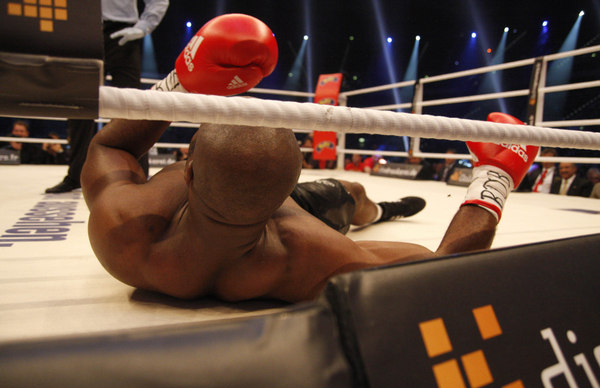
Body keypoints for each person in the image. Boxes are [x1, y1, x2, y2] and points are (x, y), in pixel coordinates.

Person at [81, 15, 539, 303]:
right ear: (286, 197)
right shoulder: (309, 253)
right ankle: (379, 211)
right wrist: (495, 179)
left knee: (353, 196)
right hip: (266, 242)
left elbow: (109, 148)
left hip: (227, 221)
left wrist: (181, 84)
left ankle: (381, 211)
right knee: (349, 195)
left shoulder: (125, 230)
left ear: (189, 168)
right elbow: (442, 272)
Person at [45, 0, 169, 193]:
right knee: (81, 103)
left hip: (122, 31)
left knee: (131, 105)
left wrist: (143, 26)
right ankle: (76, 175)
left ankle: (138, 174)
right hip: (82, 29)